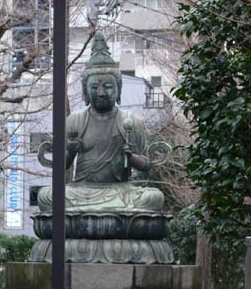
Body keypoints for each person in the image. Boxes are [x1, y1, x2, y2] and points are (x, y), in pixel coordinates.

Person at [36, 33, 164, 214]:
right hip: (82, 191)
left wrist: (131, 157)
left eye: (108, 87)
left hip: (120, 191)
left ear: (118, 90)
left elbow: (146, 164)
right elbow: (61, 166)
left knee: (153, 197)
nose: (101, 93)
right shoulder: (74, 121)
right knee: (46, 196)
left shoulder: (130, 122)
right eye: (94, 87)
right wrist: (71, 151)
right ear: (85, 91)